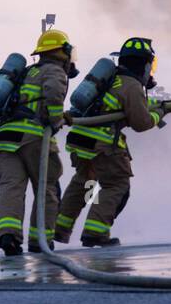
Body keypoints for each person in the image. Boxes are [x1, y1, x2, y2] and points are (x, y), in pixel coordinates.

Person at [55, 37, 164, 247]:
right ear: (145, 64)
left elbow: (125, 104)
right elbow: (141, 122)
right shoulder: (132, 85)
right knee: (116, 186)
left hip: (80, 141)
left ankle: (60, 229)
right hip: (102, 146)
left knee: (85, 183)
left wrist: (162, 103)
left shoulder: (112, 79)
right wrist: (159, 114)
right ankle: (95, 232)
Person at [0, 28, 74, 256]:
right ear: (62, 51)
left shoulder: (24, 73)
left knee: (11, 189)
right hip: (33, 138)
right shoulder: (54, 70)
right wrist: (56, 119)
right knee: (47, 188)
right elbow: (54, 92)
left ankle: (8, 236)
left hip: (4, 140)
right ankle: (40, 241)